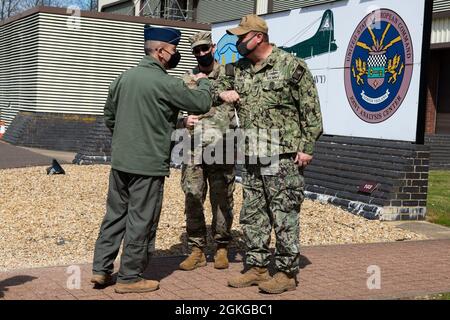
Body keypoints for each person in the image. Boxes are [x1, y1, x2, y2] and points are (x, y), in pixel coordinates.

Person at [91, 25, 212, 294]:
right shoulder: (166, 82)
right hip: (148, 164)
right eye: (174, 50)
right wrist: (203, 79)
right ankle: (129, 277)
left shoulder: (123, 78)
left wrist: (128, 139)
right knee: (141, 219)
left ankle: (101, 269)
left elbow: (110, 116)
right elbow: (202, 103)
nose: (176, 54)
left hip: (121, 161)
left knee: (114, 215)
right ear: (160, 51)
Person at [216, 14, 323, 294]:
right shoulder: (236, 70)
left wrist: (307, 148)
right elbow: (212, 87)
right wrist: (221, 95)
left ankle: (287, 273)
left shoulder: (292, 66)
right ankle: (257, 267)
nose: (237, 41)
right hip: (253, 153)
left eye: (242, 36)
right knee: (254, 213)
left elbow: (311, 112)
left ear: (259, 37)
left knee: (284, 213)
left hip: (283, 154)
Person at [177, 31, 236, 271]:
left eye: (204, 48)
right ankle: (197, 249)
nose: (201, 53)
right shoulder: (186, 79)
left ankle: (221, 246)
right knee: (192, 197)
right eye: (196, 51)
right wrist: (183, 120)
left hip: (222, 146)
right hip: (193, 148)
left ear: (213, 47)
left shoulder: (229, 75)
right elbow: (176, 108)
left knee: (222, 198)